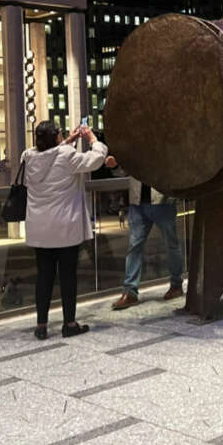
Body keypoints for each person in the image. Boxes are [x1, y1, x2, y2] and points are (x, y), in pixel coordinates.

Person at [22, 120, 107, 339]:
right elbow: (96, 160)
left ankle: (41, 325)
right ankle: (69, 323)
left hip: (40, 230)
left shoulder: (28, 157)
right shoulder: (67, 156)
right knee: (68, 277)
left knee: (44, 277)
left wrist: (66, 141)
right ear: (57, 137)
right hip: (65, 228)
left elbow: (48, 155)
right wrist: (92, 139)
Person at [106, 157, 184, 310]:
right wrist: (115, 166)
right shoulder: (136, 143)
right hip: (138, 202)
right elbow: (126, 170)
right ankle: (130, 292)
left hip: (162, 200)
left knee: (171, 245)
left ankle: (176, 285)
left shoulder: (166, 143)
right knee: (134, 247)